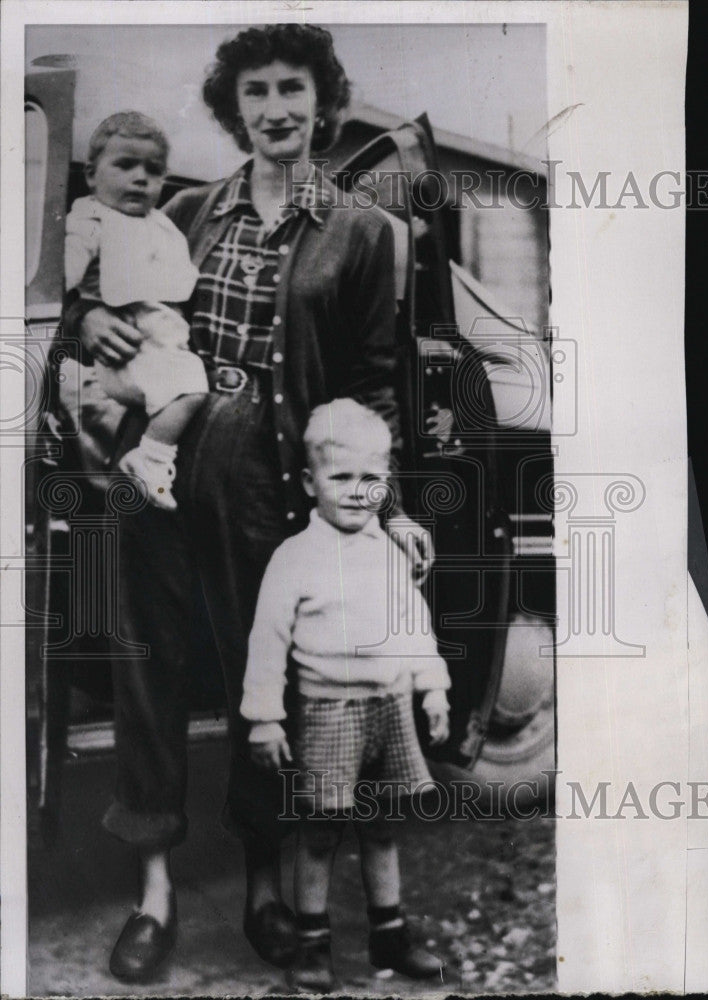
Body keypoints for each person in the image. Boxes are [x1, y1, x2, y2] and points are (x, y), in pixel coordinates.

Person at [64, 24, 433, 984]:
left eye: (293, 90)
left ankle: (265, 884)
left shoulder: (360, 233)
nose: (276, 108)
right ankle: (155, 894)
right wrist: (93, 318)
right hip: (150, 484)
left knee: (257, 685)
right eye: (258, 91)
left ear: (323, 101)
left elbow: (373, 383)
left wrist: (383, 505)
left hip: (267, 495)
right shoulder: (184, 209)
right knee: (145, 681)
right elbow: (95, 300)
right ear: (237, 107)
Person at [241, 399, 450, 992]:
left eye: (372, 479)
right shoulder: (295, 558)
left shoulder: (390, 552)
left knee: (382, 827)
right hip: (328, 710)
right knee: (321, 830)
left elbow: (415, 625)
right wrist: (264, 719)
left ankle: (391, 933)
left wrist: (432, 688)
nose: (358, 493)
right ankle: (313, 944)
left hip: (390, 707)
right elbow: (267, 641)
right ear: (310, 482)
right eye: (341, 477)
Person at [65, 112, 207, 510]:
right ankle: (152, 457)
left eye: (154, 170)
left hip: (156, 347)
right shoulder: (91, 220)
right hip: (129, 349)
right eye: (125, 165)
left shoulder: (162, 226)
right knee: (191, 389)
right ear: (92, 176)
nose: (140, 177)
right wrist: (79, 306)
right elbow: (64, 270)